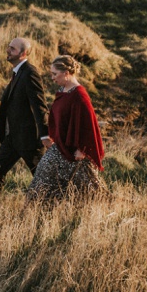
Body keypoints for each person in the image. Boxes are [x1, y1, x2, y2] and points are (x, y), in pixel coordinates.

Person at [26, 55, 106, 204]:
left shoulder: (79, 95)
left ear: (67, 73)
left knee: (88, 190)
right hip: (61, 146)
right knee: (45, 180)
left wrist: (82, 149)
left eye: (54, 74)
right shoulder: (64, 90)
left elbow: (88, 124)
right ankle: (40, 211)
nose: (52, 78)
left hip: (74, 152)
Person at [0, 37, 48, 204]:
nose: (8, 50)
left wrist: (45, 134)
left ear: (23, 53)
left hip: (28, 138)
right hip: (13, 138)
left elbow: (40, 106)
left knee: (41, 176)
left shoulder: (30, 73)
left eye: (12, 49)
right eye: (8, 47)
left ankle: (53, 207)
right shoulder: (18, 72)